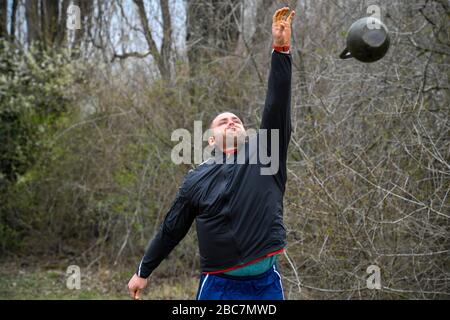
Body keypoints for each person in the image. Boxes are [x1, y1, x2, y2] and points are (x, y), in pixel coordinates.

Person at [128, 7, 295, 300]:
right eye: (223, 121)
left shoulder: (266, 152)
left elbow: (276, 104)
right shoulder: (196, 179)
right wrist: (143, 271)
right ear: (209, 139)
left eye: (237, 119)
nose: (232, 121)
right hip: (218, 286)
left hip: (266, 285)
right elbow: (172, 229)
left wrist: (280, 50)